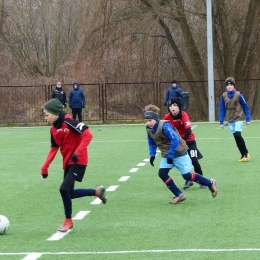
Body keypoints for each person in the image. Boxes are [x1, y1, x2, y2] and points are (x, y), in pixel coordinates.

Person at [41, 98, 107, 232]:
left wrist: (77, 152)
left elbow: (88, 135)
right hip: (68, 163)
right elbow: (54, 148)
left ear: (55, 113)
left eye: (47, 115)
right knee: (69, 193)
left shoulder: (69, 122)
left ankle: (68, 221)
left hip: (78, 161)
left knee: (63, 189)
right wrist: (45, 166)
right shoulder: (53, 130)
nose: (45, 118)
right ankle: (96, 192)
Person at [144, 104, 217, 204]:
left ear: (156, 119)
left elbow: (175, 139)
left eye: (150, 120)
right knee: (162, 174)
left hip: (179, 153)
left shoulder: (165, 126)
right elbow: (151, 142)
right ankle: (179, 195)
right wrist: (152, 155)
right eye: (146, 121)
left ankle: (210, 183)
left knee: (187, 176)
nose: (148, 123)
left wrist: (170, 155)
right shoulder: (148, 129)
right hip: (167, 155)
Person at [163, 98, 206, 190]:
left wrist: (182, 141)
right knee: (183, 162)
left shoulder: (183, 114)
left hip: (190, 141)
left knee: (194, 160)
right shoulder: (167, 117)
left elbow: (188, 130)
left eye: (175, 105)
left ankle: (202, 180)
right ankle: (188, 180)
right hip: (177, 142)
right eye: (170, 106)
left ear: (179, 107)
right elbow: (165, 130)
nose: (172, 108)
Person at [219, 77, 250, 162]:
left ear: (233, 86)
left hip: (238, 118)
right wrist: (221, 121)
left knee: (237, 135)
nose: (229, 86)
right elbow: (222, 109)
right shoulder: (224, 96)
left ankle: (246, 153)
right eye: (228, 85)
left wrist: (248, 118)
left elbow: (245, 106)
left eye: (231, 85)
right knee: (236, 138)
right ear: (226, 87)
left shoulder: (238, 94)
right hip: (230, 120)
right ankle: (242, 155)